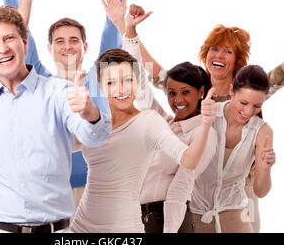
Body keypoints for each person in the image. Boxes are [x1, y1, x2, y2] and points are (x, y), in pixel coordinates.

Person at [133, 0, 284, 232]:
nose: (219, 55)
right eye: (215, 48)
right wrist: (130, 31)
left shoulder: (248, 89)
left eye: (228, 51)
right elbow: (156, 73)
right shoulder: (193, 90)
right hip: (198, 193)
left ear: (237, 62)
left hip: (238, 191)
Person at [0, 5, 111, 233]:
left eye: (9, 38)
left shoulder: (60, 93)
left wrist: (90, 113)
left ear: (24, 43)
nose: (3, 48)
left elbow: (94, 138)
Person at [0, 0, 130, 208]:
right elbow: (17, 33)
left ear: (85, 46)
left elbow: (113, 25)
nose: (67, 46)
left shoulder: (98, 76)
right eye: (60, 41)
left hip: (98, 188)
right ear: (49, 47)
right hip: (50, 190)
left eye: (73, 40)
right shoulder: (40, 80)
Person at [102, 0, 218, 233]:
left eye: (186, 92)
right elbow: (143, 90)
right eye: (172, 93)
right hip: (138, 217)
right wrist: (130, 30)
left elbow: (181, 187)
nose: (178, 100)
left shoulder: (204, 134)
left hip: (166, 221)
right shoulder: (163, 124)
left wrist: (169, 231)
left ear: (201, 92)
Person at [70, 48, 217, 233]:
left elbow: (188, 160)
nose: (121, 89)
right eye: (111, 82)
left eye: (128, 80)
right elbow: (54, 146)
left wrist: (205, 124)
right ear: (100, 86)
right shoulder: (97, 124)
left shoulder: (149, 121)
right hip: (81, 228)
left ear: (138, 82)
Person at [190, 65, 276, 233]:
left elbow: (260, 191)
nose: (248, 111)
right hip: (195, 212)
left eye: (257, 106)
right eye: (243, 102)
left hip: (235, 212)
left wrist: (265, 169)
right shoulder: (209, 115)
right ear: (231, 91)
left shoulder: (262, 131)